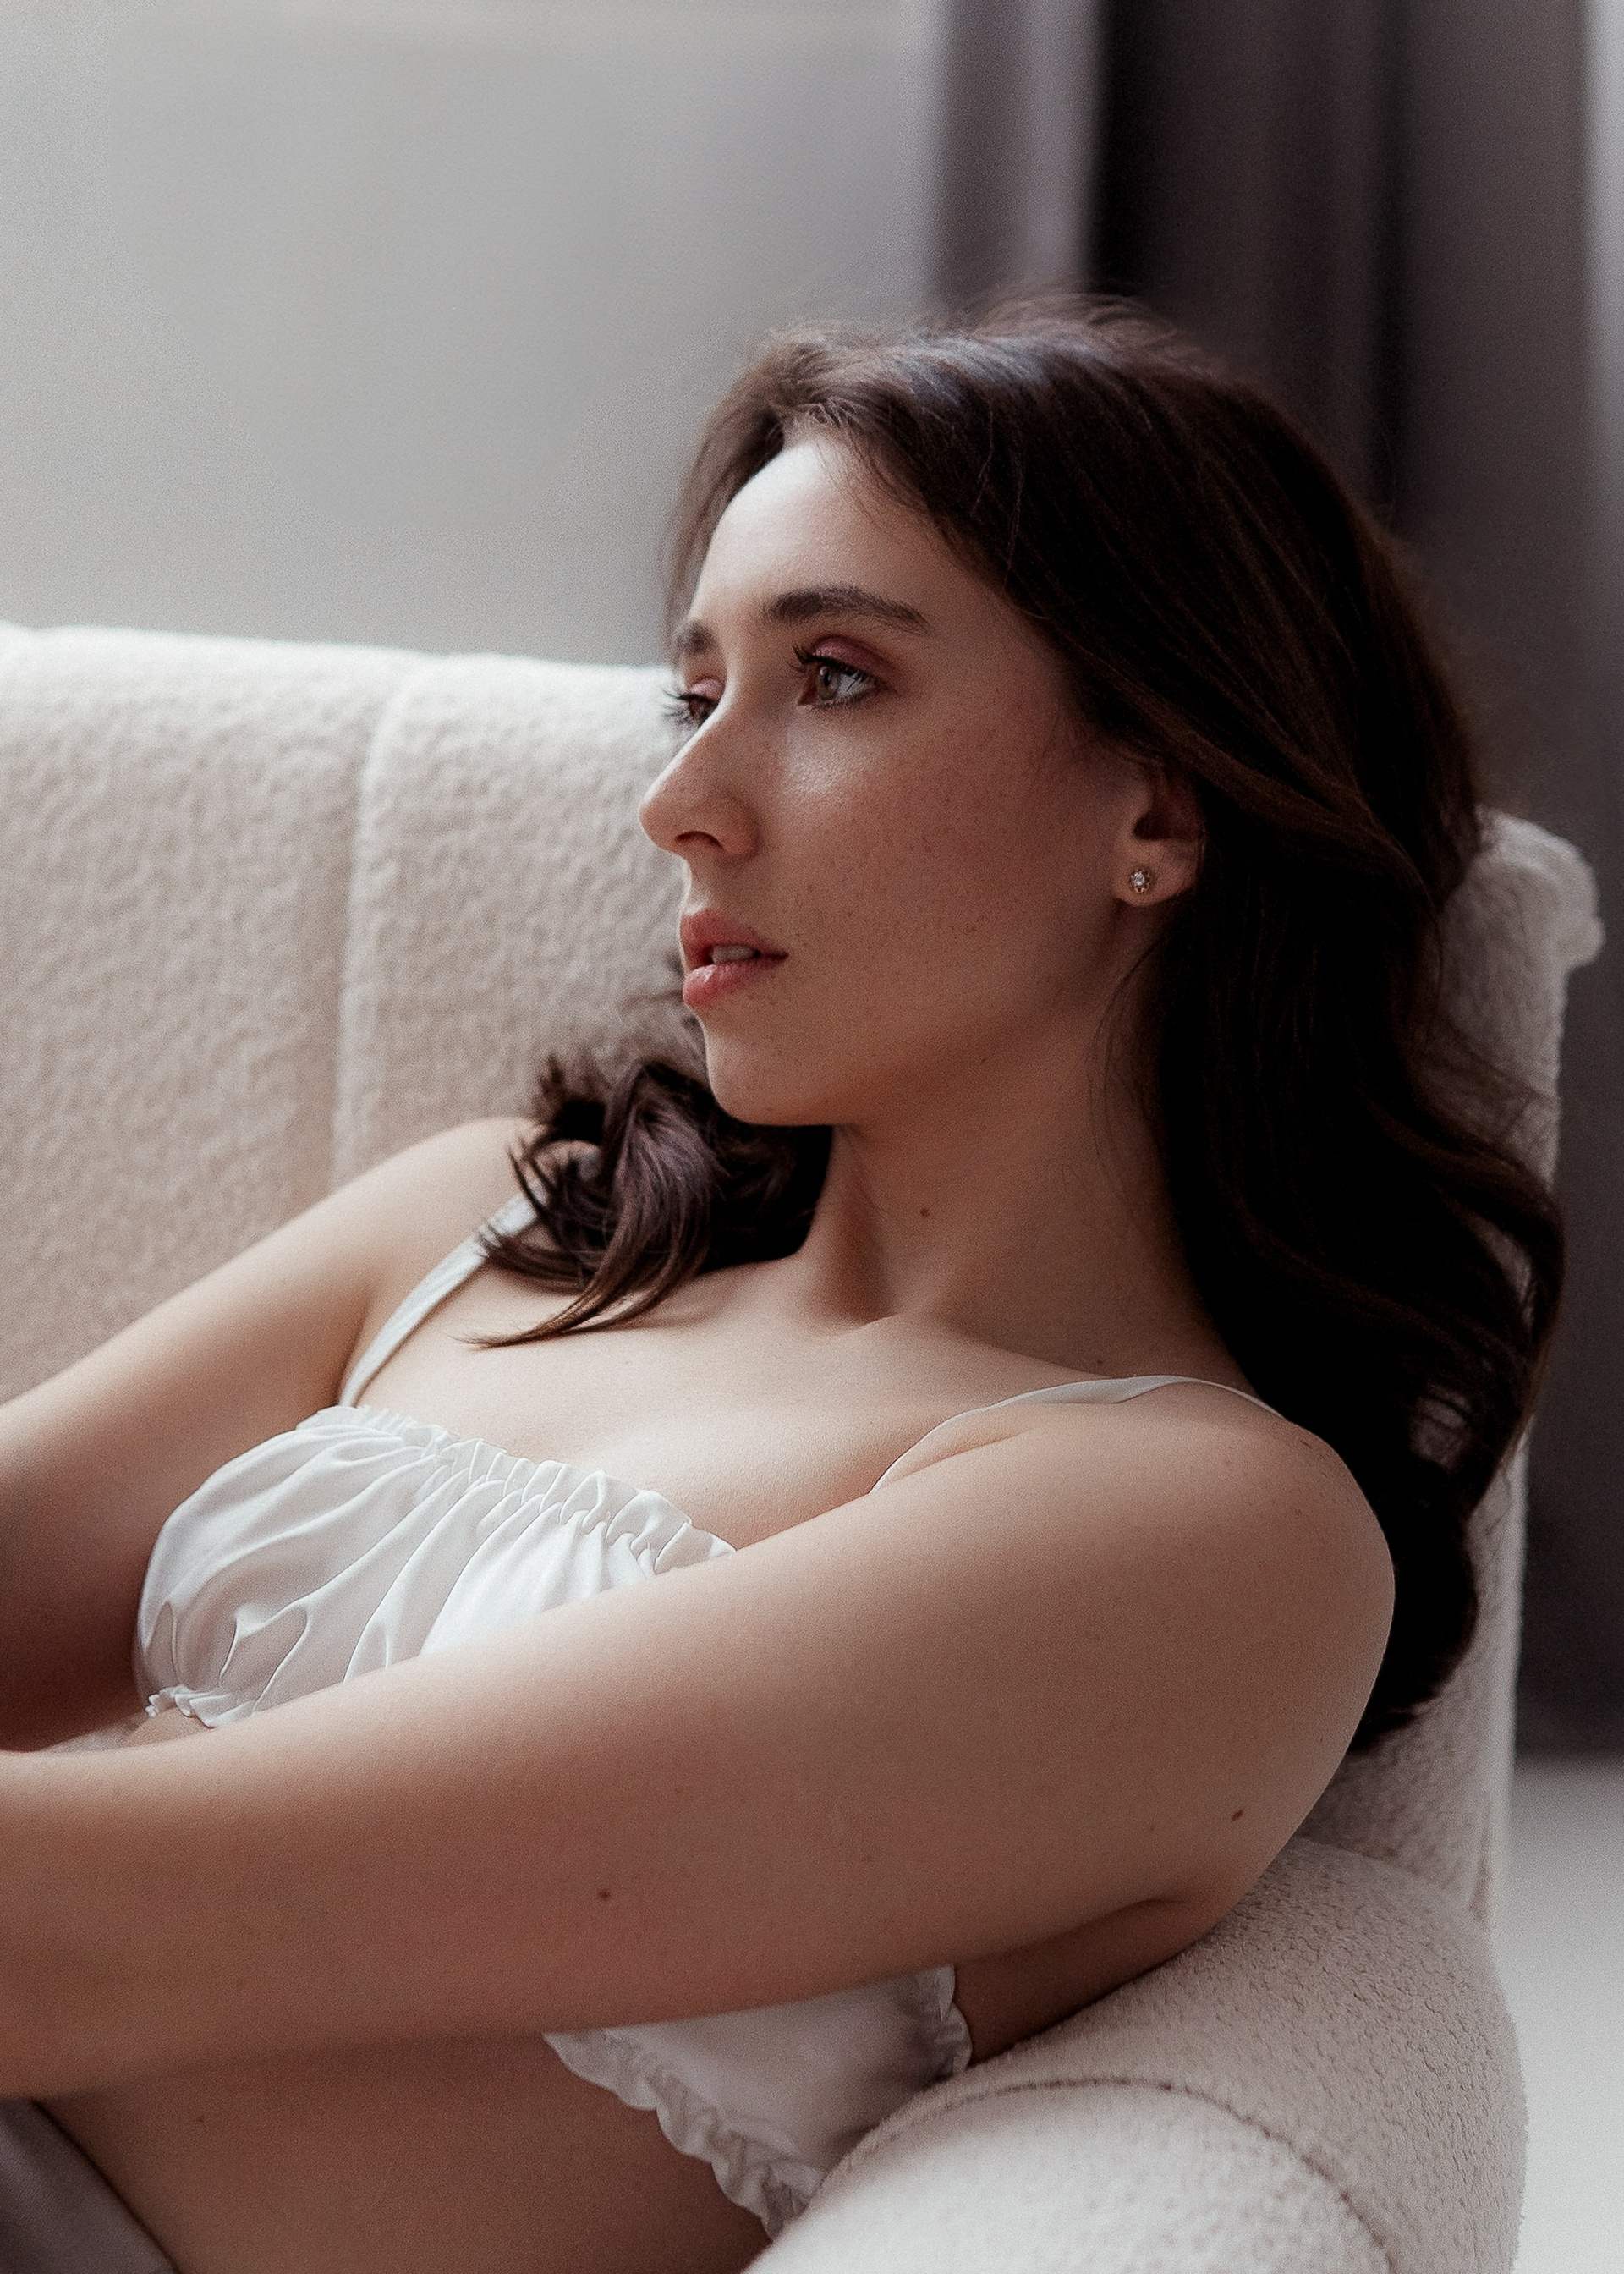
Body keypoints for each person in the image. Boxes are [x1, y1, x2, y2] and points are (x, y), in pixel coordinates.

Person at [0, 301, 1559, 2274]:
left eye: (833, 678)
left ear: (1158, 808)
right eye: (695, 694)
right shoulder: (498, 1227)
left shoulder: (1212, 1536)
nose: (682, 801)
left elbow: (118, 1928)